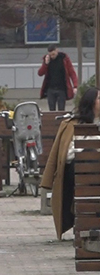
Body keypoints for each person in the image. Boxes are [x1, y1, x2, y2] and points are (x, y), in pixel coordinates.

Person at [41, 88, 100, 240]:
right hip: (76, 174)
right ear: (91, 102)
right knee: (82, 163)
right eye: (99, 98)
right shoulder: (71, 124)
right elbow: (65, 155)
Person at [38, 44, 78, 112]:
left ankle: (61, 122)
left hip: (61, 88)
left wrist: (75, 86)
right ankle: (52, 122)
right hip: (50, 88)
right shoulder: (47, 60)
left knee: (61, 110)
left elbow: (72, 72)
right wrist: (46, 64)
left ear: (57, 51)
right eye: (50, 55)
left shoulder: (64, 59)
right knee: (51, 110)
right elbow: (40, 73)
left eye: (53, 54)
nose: (52, 56)